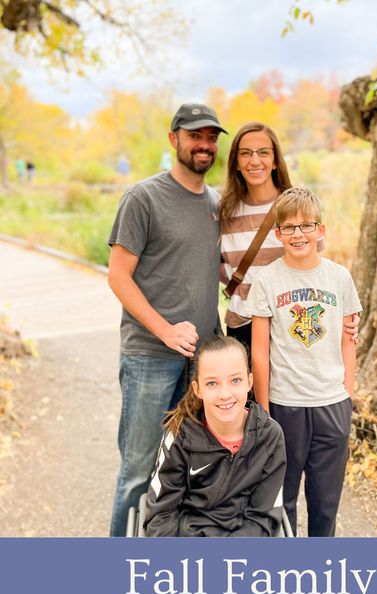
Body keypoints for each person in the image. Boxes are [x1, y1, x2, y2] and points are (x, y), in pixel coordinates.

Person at [107, 103, 228, 537]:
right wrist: (164, 330)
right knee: (139, 470)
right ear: (174, 138)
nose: (205, 145)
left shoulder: (216, 203)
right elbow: (118, 277)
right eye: (196, 136)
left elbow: (221, 272)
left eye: (212, 138)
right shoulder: (143, 198)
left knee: (192, 470)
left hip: (201, 364)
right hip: (149, 358)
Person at [246, 187, 362, 537]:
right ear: (278, 233)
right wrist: (264, 408)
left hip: (331, 404)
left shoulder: (338, 277)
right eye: (289, 228)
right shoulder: (267, 280)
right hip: (285, 405)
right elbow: (260, 350)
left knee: (326, 502)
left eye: (306, 225)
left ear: (320, 230)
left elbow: (348, 338)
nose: (298, 234)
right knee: (283, 499)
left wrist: (347, 394)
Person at [219, 122, 358, 353]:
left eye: (263, 152)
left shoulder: (295, 207)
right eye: (245, 153)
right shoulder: (224, 211)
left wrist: (344, 317)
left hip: (291, 323)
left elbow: (316, 271)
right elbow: (221, 266)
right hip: (243, 324)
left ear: (275, 161)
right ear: (236, 163)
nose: (255, 161)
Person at [144, 335, 286, 537]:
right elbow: (161, 515)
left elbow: (263, 517)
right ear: (197, 389)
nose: (225, 394)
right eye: (212, 383)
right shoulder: (179, 436)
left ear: (249, 382)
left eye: (235, 380)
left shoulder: (270, 436)